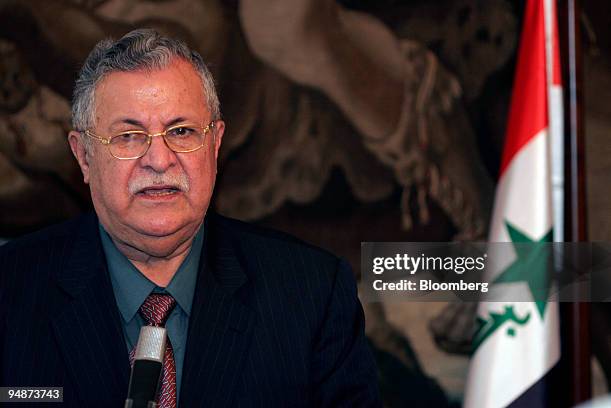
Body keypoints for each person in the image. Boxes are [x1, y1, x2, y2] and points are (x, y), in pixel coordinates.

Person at [0, 29, 380, 407]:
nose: (159, 159)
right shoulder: (10, 290)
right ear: (84, 156)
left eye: (181, 132)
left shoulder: (310, 292)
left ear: (214, 145)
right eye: (130, 135)